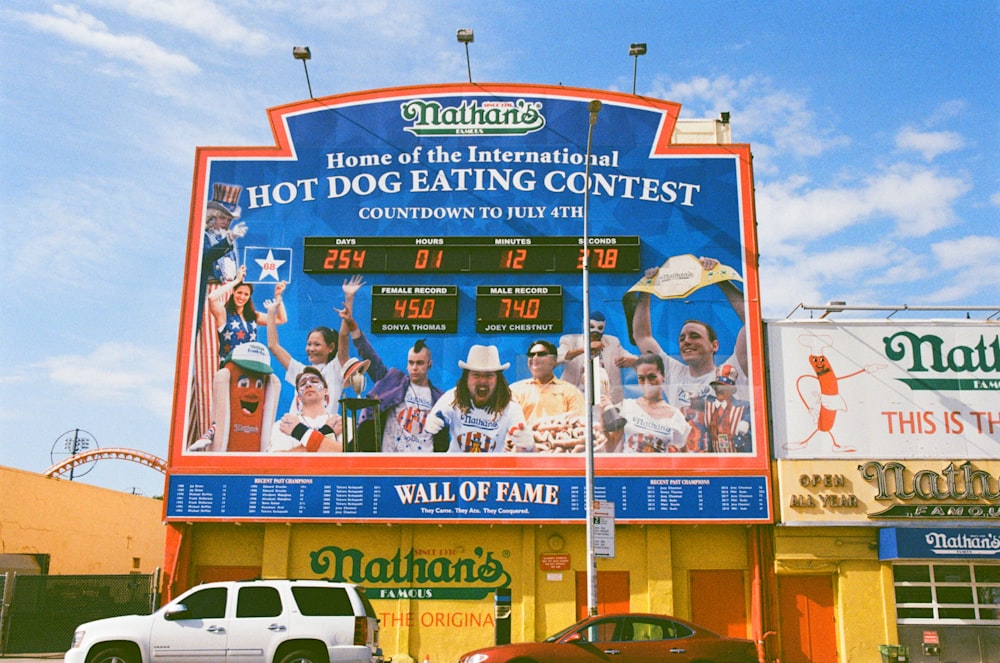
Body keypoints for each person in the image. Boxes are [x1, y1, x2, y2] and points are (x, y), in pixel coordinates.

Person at [631, 257, 748, 412]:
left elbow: (750, 321)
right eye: (682, 338)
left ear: (714, 345)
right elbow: (642, 336)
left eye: (694, 336)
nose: (686, 341)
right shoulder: (673, 373)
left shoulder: (731, 371)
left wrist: (720, 277)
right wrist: (647, 289)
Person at [265, 278, 359, 414]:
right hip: (296, 432)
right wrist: (271, 313)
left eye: (317, 344)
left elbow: (343, 336)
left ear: (331, 348)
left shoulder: (335, 369)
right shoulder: (300, 370)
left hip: (323, 433)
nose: (311, 349)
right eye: (309, 344)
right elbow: (273, 346)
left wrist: (349, 299)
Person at [425, 345, 532, 453]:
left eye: (489, 375)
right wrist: (432, 423)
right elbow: (435, 418)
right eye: (476, 375)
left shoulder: (511, 407)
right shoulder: (453, 397)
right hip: (456, 467)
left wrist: (527, 444)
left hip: (492, 468)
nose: (482, 381)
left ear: (498, 380)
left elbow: (521, 439)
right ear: (466, 378)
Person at [600, 353, 693, 453]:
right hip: (631, 467)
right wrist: (603, 419)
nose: (647, 383)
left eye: (652, 377)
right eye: (641, 378)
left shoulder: (675, 415)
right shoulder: (627, 406)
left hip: (660, 468)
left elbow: (684, 455)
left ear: (663, 377)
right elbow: (610, 447)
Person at [208, 265, 286, 360]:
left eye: (246, 294)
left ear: (249, 297)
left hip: (250, 367)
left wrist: (278, 297)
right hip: (230, 366)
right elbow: (211, 298)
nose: (242, 297)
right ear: (233, 292)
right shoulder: (224, 314)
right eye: (239, 292)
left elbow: (281, 319)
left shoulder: (253, 315)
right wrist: (236, 281)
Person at [557, 311, 637, 403]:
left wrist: (633, 361)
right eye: (591, 327)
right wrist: (586, 348)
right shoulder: (570, 341)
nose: (595, 332)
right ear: (584, 326)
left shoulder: (612, 342)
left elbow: (633, 359)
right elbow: (557, 358)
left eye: (599, 328)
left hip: (607, 400)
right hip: (575, 399)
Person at [267, 366, 343, 453]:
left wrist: (298, 431)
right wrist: (327, 433)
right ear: (298, 397)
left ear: (325, 391)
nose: (308, 385)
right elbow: (278, 461)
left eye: (314, 381)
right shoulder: (283, 424)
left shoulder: (341, 422)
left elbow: (349, 455)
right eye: (303, 384)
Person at [511, 340, 585, 425]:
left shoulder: (571, 391)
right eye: (531, 355)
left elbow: (578, 422)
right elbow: (509, 424)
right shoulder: (515, 390)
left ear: (554, 360)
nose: (535, 357)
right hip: (524, 437)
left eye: (541, 354)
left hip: (561, 437)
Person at [704, 364, 752, 453]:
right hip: (715, 456)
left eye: (722, 387)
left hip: (737, 456)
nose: (718, 390)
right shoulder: (709, 403)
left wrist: (746, 421)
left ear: (730, 390)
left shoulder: (742, 406)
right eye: (716, 387)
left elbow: (755, 412)